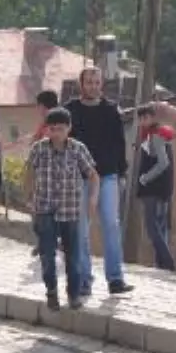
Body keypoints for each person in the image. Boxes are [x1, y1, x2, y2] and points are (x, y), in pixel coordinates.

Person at [65, 67, 133, 297]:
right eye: (89, 82)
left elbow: (119, 142)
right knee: (81, 229)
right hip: (79, 177)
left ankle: (115, 279)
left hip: (107, 176)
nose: (93, 86)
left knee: (111, 225)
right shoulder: (70, 110)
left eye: (97, 82)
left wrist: (121, 173)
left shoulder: (111, 110)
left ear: (101, 84)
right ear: (81, 84)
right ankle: (84, 279)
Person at [23, 107, 99, 310]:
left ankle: (73, 295)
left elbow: (92, 175)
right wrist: (29, 196)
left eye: (61, 129)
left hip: (71, 210)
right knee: (47, 255)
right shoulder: (39, 149)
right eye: (53, 129)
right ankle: (51, 291)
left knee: (73, 256)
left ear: (69, 128)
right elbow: (29, 170)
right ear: (47, 129)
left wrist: (92, 199)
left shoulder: (77, 149)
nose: (56, 133)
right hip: (44, 209)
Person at [136, 104, 176, 271]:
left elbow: (163, 163)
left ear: (153, 118)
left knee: (152, 227)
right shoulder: (154, 134)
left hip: (154, 187)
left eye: (146, 118)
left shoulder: (155, 135)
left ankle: (167, 262)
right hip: (162, 187)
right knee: (160, 225)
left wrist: (145, 178)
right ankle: (162, 264)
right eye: (141, 118)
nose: (143, 121)